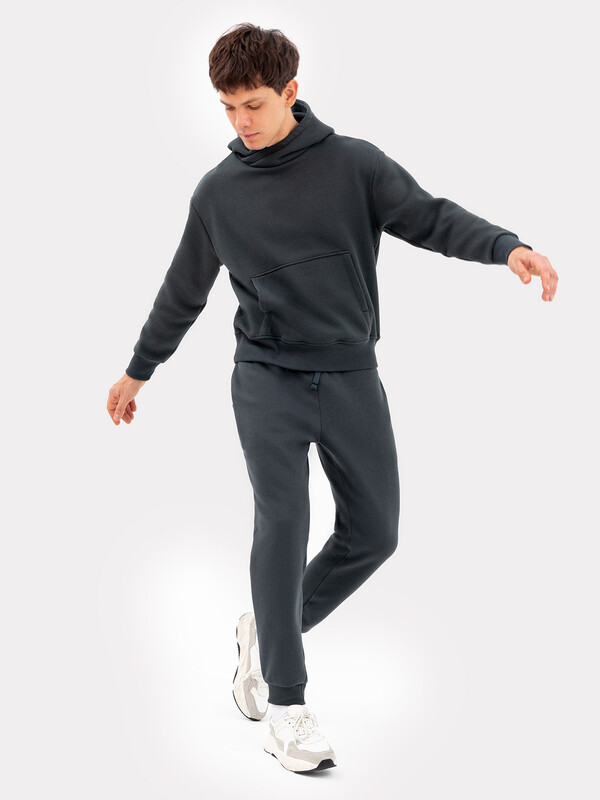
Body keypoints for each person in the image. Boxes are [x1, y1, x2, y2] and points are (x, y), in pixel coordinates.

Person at [106, 23, 558, 774]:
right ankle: (286, 706)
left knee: (375, 534)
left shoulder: (354, 165)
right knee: (284, 522)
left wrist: (506, 245)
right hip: (266, 380)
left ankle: (266, 632)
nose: (241, 122)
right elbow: (183, 291)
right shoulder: (217, 194)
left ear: (290, 91)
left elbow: (431, 217)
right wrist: (138, 369)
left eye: (253, 104)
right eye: (227, 109)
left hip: (349, 375)